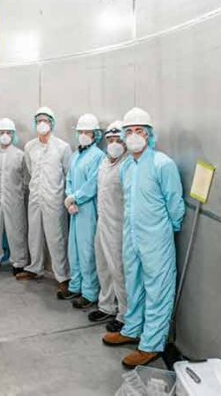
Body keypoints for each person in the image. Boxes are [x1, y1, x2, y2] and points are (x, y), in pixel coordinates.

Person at [103, 108, 185, 369]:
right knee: (134, 284)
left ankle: (151, 344)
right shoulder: (127, 166)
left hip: (156, 239)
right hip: (132, 236)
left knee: (158, 289)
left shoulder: (163, 164)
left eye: (139, 131)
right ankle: (133, 328)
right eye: (129, 132)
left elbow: (175, 205)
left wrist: (163, 232)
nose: (134, 136)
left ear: (149, 135)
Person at [17, 106, 73, 300]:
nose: (42, 123)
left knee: (56, 237)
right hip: (35, 196)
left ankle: (63, 277)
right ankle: (35, 267)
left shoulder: (62, 147)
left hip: (54, 199)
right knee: (34, 233)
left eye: (46, 120)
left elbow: (68, 174)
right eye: (39, 120)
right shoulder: (29, 147)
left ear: (52, 123)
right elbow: (30, 170)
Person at [62, 114, 105, 309]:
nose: (83, 135)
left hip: (88, 209)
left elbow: (93, 184)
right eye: (80, 132)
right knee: (74, 250)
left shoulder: (98, 156)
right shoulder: (75, 155)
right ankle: (75, 285)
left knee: (87, 251)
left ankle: (89, 293)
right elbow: (69, 178)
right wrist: (69, 198)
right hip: (74, 209)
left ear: (95, 135)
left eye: (87, 132)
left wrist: (76, 198)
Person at [89, 121, 128, 332]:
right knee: (103, 265)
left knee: (119, 270)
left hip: (119, 226)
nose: (113, 144)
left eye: (118, 140)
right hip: (102, 221)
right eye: (110, 140)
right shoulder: (105, 163)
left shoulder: (127, 165)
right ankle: (106, 306)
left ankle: (124, 314)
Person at [0, 118, 29, 275]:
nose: (5, 135)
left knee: (16, 229)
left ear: (13, 134)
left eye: (8, 132)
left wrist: (17, 193)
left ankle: (19, 262)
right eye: (2, 132)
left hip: (14, 198)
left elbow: (25, 179)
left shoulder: (20, 155)